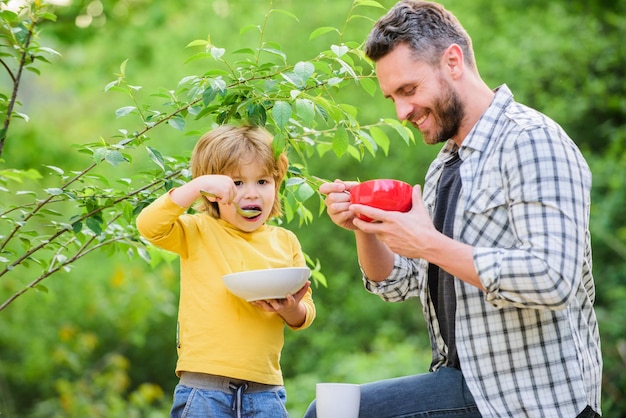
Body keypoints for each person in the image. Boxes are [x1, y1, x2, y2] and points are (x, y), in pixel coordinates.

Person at [304, 1, 601, 417]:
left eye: (408, 90)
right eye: (392, 97)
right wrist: (364, 223)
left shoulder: (531, 141)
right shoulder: (447, 163)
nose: (401, 112)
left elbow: (552, 278)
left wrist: (427, 243)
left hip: (528, 399)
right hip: (466, 383)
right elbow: (400, 282)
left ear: (453, 61)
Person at [136, 124, 316, 418]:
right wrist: (195, 187)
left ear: (276, 184)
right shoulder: (197, 231)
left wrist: (291, 309)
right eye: (237, 183)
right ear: (212, 192)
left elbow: (306, 311)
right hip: (204, 387)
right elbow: (148, 225)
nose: (251, 194)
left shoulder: (285, 242)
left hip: (266, 390)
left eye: (262, 182)